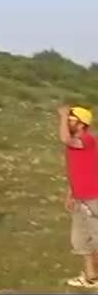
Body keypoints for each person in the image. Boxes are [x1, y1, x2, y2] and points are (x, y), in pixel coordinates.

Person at [60, 105, 98, 288]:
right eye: (68, 120)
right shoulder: (74, 144)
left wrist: (62, 115)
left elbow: (65, 138)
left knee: (97, 237)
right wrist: (70, 193)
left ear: (82, 124)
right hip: (80, 197)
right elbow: (75, 171)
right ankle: (91, 277)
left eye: (71, 120)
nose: (68, 122)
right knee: (80, 239)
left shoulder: (88, 139)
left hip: (94, 197)